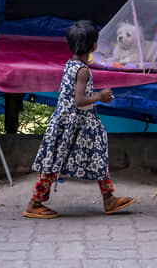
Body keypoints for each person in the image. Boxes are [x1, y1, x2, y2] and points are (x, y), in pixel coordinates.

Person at [23, 20, 136, 219]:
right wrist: (100, 96)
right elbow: (79, 100)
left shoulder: (72, 64)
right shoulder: (82, 70)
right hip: (72, 125)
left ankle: (109, 198)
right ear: (94, 45)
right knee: (54, 164)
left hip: (77, 124)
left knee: (97, 156)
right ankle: (34, 203)